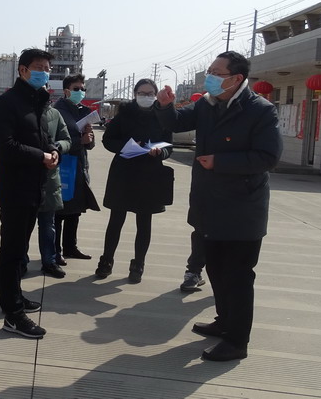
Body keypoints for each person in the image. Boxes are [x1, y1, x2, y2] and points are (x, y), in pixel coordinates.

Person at [155, 51, 282, 362]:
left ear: (236, 78)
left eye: (216, 72)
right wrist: (165, 105)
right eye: (209, 71)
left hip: (242, 209)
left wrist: (220, 162)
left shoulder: (260, 110)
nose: (209, 77)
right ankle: (224, 321)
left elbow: (268, 157)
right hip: (209, 204)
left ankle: (237, 342)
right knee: (214, 268)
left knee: (237, 276)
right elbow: (176, 123)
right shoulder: (207, 104)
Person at [0, 48, 57, 339]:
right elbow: (5, 146)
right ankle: (13, 315)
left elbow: (43, 138)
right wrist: (41, 156)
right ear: (23, 70)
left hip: (35, 187)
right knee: (11, 252)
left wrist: (52, 150)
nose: (45, 72)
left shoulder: (38, 101)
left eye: (48, 68)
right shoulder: (7, 103)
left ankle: (15, 297)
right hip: (15, 190)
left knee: (20, 253)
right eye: (39, 67)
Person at [97, 78, 173, 284]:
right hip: (124, 172)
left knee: (144, 222)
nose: (146, 97)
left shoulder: (162, 116)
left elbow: (169, 145)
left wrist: (160, 152)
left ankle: (138, 264)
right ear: (134, 94)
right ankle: (106, 261)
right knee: (116, 220)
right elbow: (108, 140)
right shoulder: (124, 114)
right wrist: (128, 146)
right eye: (142, 93)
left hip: (150, 174)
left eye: (150, 93)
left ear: (156, 95)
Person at [52, 74, 100, 263]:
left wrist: (89, 137)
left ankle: (70, 247)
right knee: (58, 212)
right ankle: (54, 251)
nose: (81, 92)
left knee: (75, 210)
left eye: (83, 89)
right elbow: (54, 142)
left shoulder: (84, 111)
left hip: (80, 166)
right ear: (66, 91)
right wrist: (80, 141)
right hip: (63, 166)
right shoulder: (57, 111)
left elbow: (89, 145)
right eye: (76, 89)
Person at [35, 105, 71, 278]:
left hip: (49, 177)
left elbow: (66, 140)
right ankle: (21, 261)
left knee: (48, 224)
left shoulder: (54, 114)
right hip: (25, 176)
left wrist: (57, 148)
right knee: (22, 226)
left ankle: (49, 262)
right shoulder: (20, 109)